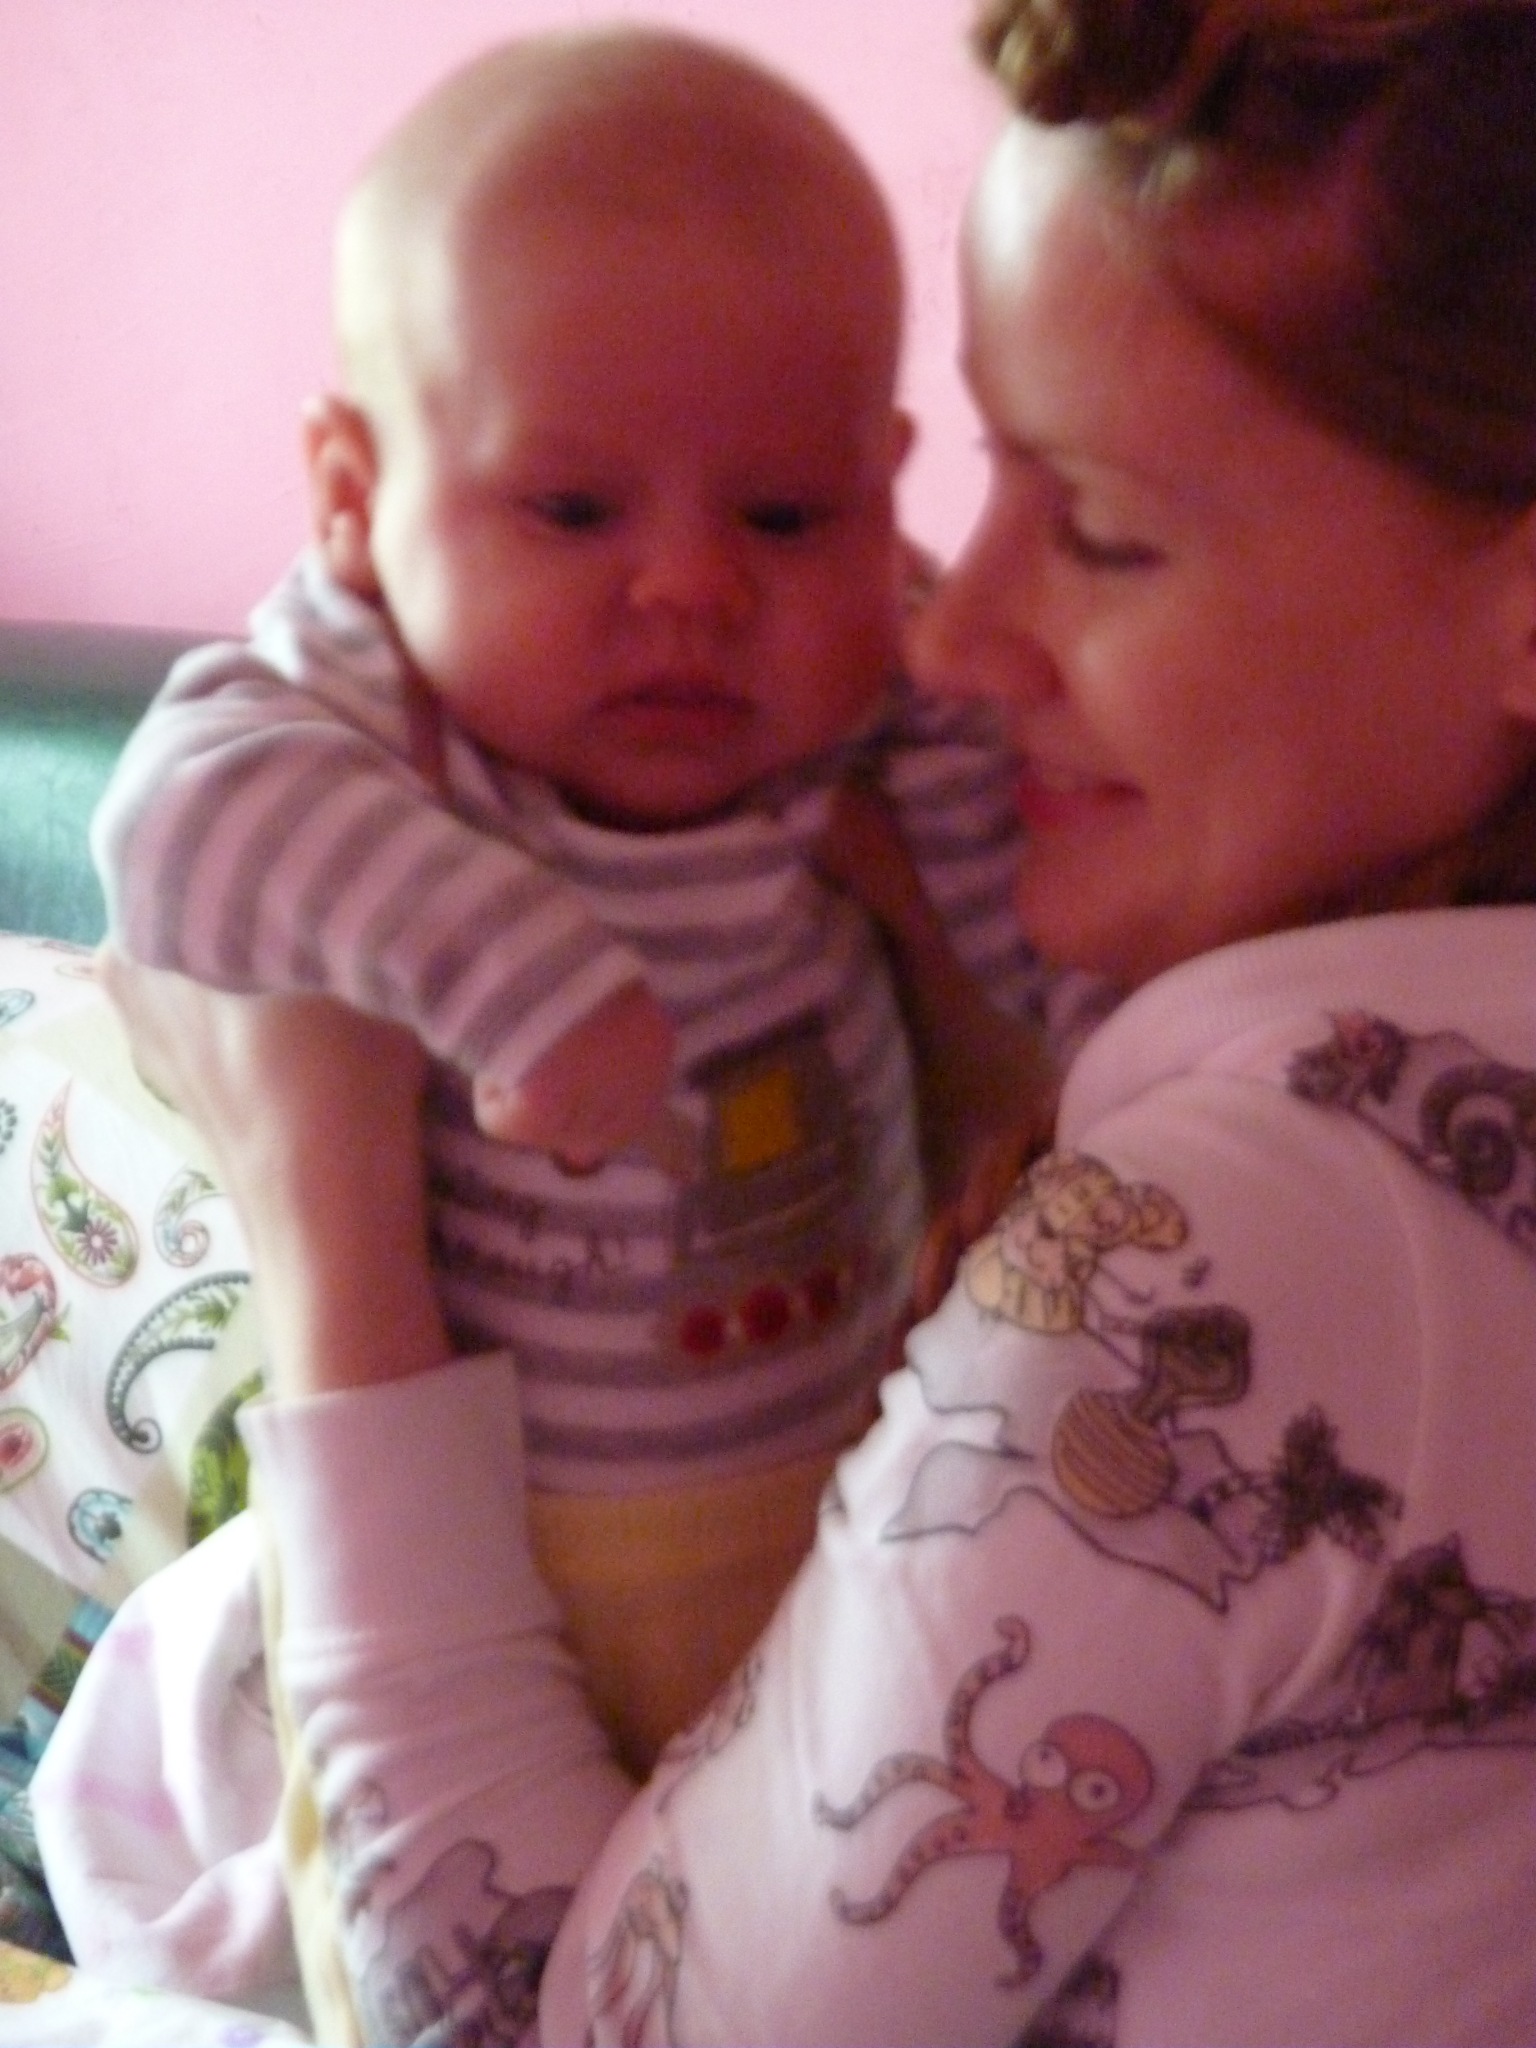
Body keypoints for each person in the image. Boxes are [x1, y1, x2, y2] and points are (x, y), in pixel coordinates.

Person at [82, 0, 1536, 2039]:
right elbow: (189, 800)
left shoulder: (1214, 1264)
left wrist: (317, 1183)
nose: (948, 633)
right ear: (351, 487)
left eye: (1101, 529)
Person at [77, 27, 1059, 1756]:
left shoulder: (878, 676)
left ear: (881, 479)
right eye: (575, 507)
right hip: (495, 1543)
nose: (692, 583)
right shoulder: (371, 695)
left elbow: (1026, 903)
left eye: (784, 512)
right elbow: (166, 829)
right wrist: (525, 979)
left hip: (854, 1485)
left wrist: (1091, 1082)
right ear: (354, 499)